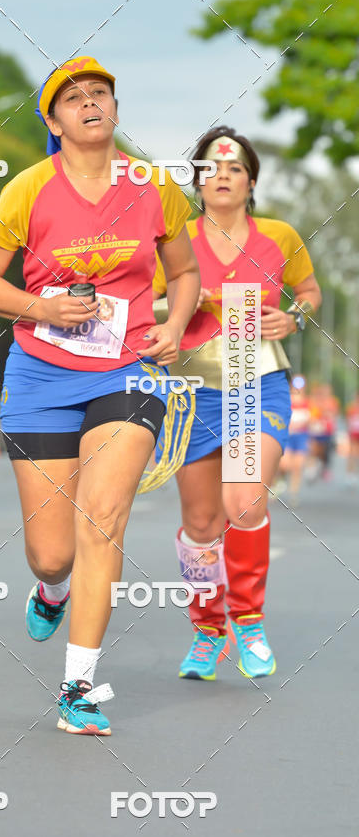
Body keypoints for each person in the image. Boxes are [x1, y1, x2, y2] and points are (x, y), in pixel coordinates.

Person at [0, 56, 200, 734]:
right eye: (75, 98)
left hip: (127, 372)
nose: (91, 103)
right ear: (53, 120)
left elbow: (184, 272)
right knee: (53, 551)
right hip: (41, 375)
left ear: (116, 110)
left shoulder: (153, 187)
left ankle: (78, 689)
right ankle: (51, 588)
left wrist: (176, 324)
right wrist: (40, 308)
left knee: (103, 518)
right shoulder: (29, 190)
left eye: (101, 93)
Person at [150, 126, 321, 681]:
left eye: (234, 169)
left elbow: (310, 292)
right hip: (193, 388)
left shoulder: (279, 237)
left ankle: (247, 620)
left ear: (251, 182)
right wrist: (177, 300)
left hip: (257, 379)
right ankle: (207, 630)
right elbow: (139, 303)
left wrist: (293, 317)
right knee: (201, 524)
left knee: (244, 503)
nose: (222, 176)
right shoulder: (174, 240)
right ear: (197, 181)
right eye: (210, 169)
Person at [279, 375, 311, 505]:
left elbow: (312, 418)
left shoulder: (308, 402)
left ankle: (293, 493)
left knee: (297, 466)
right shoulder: (286, 400)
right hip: (287, 436)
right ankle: (280, 479)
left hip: (301, 437)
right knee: (285, 464)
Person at [345, 393, 359, 477]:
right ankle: (350, 473)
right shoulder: (352, 408)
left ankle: (354, 471)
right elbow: (348, 420)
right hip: (354, 433)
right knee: (352, 453)